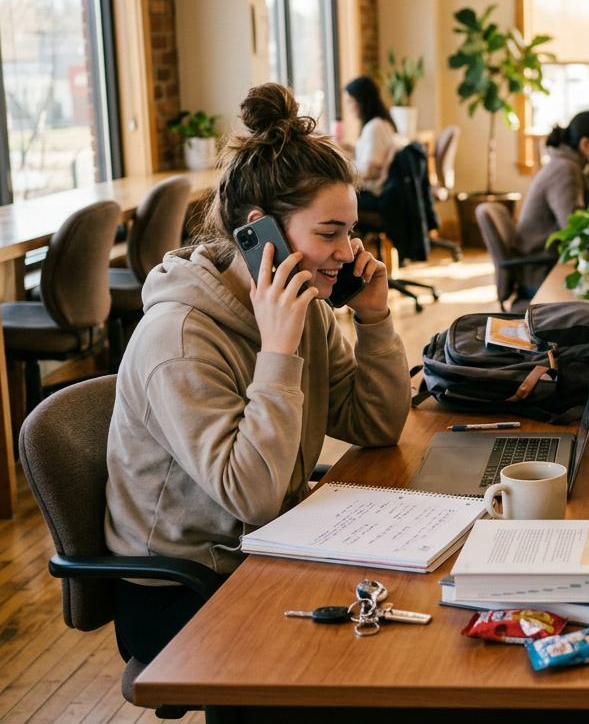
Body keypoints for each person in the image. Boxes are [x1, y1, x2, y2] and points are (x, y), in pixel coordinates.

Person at [104, 83, 411, 664]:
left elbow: (376, 425)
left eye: (350, 230)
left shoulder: (307, 308)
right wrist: (277, 350)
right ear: (257, 231)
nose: (348, 253)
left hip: (266, 549)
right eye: (329, 233)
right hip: (184, 591)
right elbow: (253, 497)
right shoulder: (180, 340)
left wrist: (373, 320)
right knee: (368, 659)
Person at [514, 110, 589, 292]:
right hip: (542, 273)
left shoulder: (575, 166)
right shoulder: (565, 171)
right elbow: (574, 229)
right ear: (586, 144)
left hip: (553, 264)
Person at [342, 76, 398, 211]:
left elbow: (371, 171)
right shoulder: (381, 124)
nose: (349, 108)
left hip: (374, 195)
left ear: (361, 101)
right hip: (378, 192)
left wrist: (342, 169)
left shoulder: (375, 127)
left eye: (351, 102)